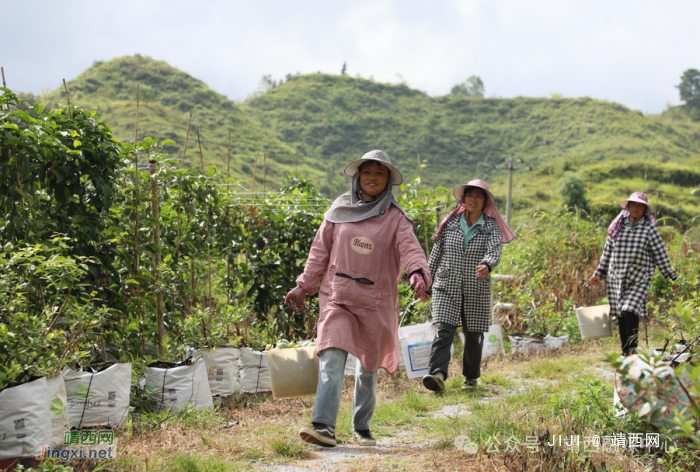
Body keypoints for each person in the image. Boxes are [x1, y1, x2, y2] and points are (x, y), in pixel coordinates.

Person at [285, 150, 431, 447]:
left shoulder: (395, 218)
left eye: (380, 173)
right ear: (358, 177)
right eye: (367, 172)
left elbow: (410, 248)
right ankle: (323, 425)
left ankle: (361, 426)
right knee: (332, 356)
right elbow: (319, 252)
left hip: (375, 300)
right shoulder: (338, 211)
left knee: (368, 366)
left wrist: (418, 274)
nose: (372, 177)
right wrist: (304, 285)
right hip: (337, 295)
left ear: (388, 180)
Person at [421, 180, 515, 393]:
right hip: (446, 285)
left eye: (478, 196)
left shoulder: (490, 227)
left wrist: (487, 264)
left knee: (474, 334)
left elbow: (494, 251)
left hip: (476, 288)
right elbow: (436, 255)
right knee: (444, 330)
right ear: (463, 200)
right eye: (469, 195)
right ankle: (437, 375)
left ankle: (471, 378)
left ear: (485, 203)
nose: (473, 199)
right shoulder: (451, 222)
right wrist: (427, 283)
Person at [589, 192, 678, 356]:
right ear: (628, 207)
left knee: (630, 310)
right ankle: (626, 353)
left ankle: (633, 349)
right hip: (616, 278)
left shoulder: (649, 229)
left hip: (639, 279)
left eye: (640, 206)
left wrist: (671, 278)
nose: (636, 208)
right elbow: (607, 252)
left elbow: (661, 254)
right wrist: (598, 274)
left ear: (644, 209)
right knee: (621, 315)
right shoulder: (617, 227)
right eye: (634, 205)